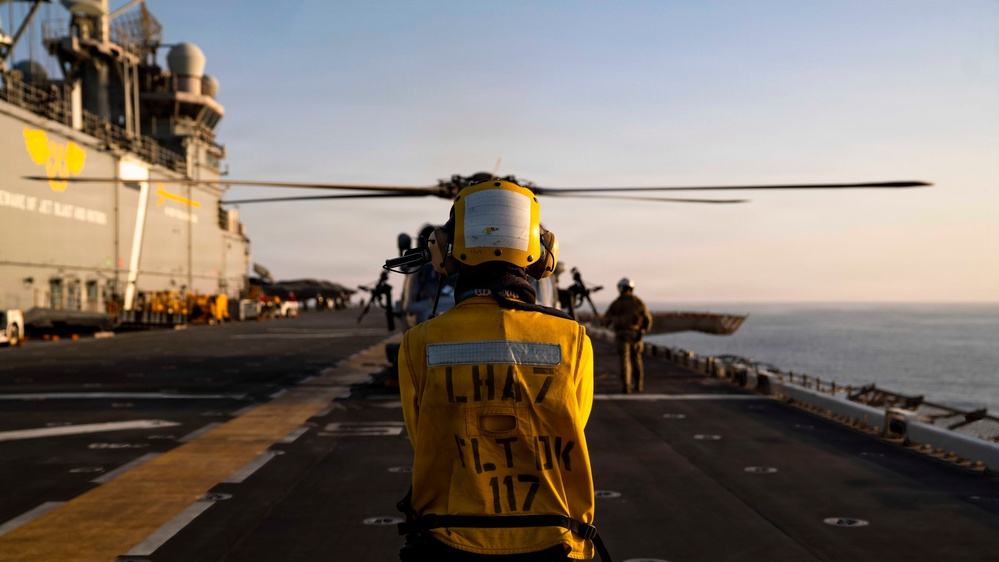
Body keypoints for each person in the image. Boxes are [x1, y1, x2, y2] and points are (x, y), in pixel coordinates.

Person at [396, 179, 607, 561]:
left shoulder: (418, 343)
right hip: (554, 540)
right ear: (544, 255)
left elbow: (423, 436)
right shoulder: (573, 340)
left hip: (447, 541)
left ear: (444, 252)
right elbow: (573, 424)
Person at [602, 278, 653, 394]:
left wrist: (605, 323)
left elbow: (606, 319)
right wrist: (643, 330)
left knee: (625, 361)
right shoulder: (638, 302)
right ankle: (639, 385)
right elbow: (648, 319)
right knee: (637, 360)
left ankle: (626, 386)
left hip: (622, 336)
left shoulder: (617, 303)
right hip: (636, 335)